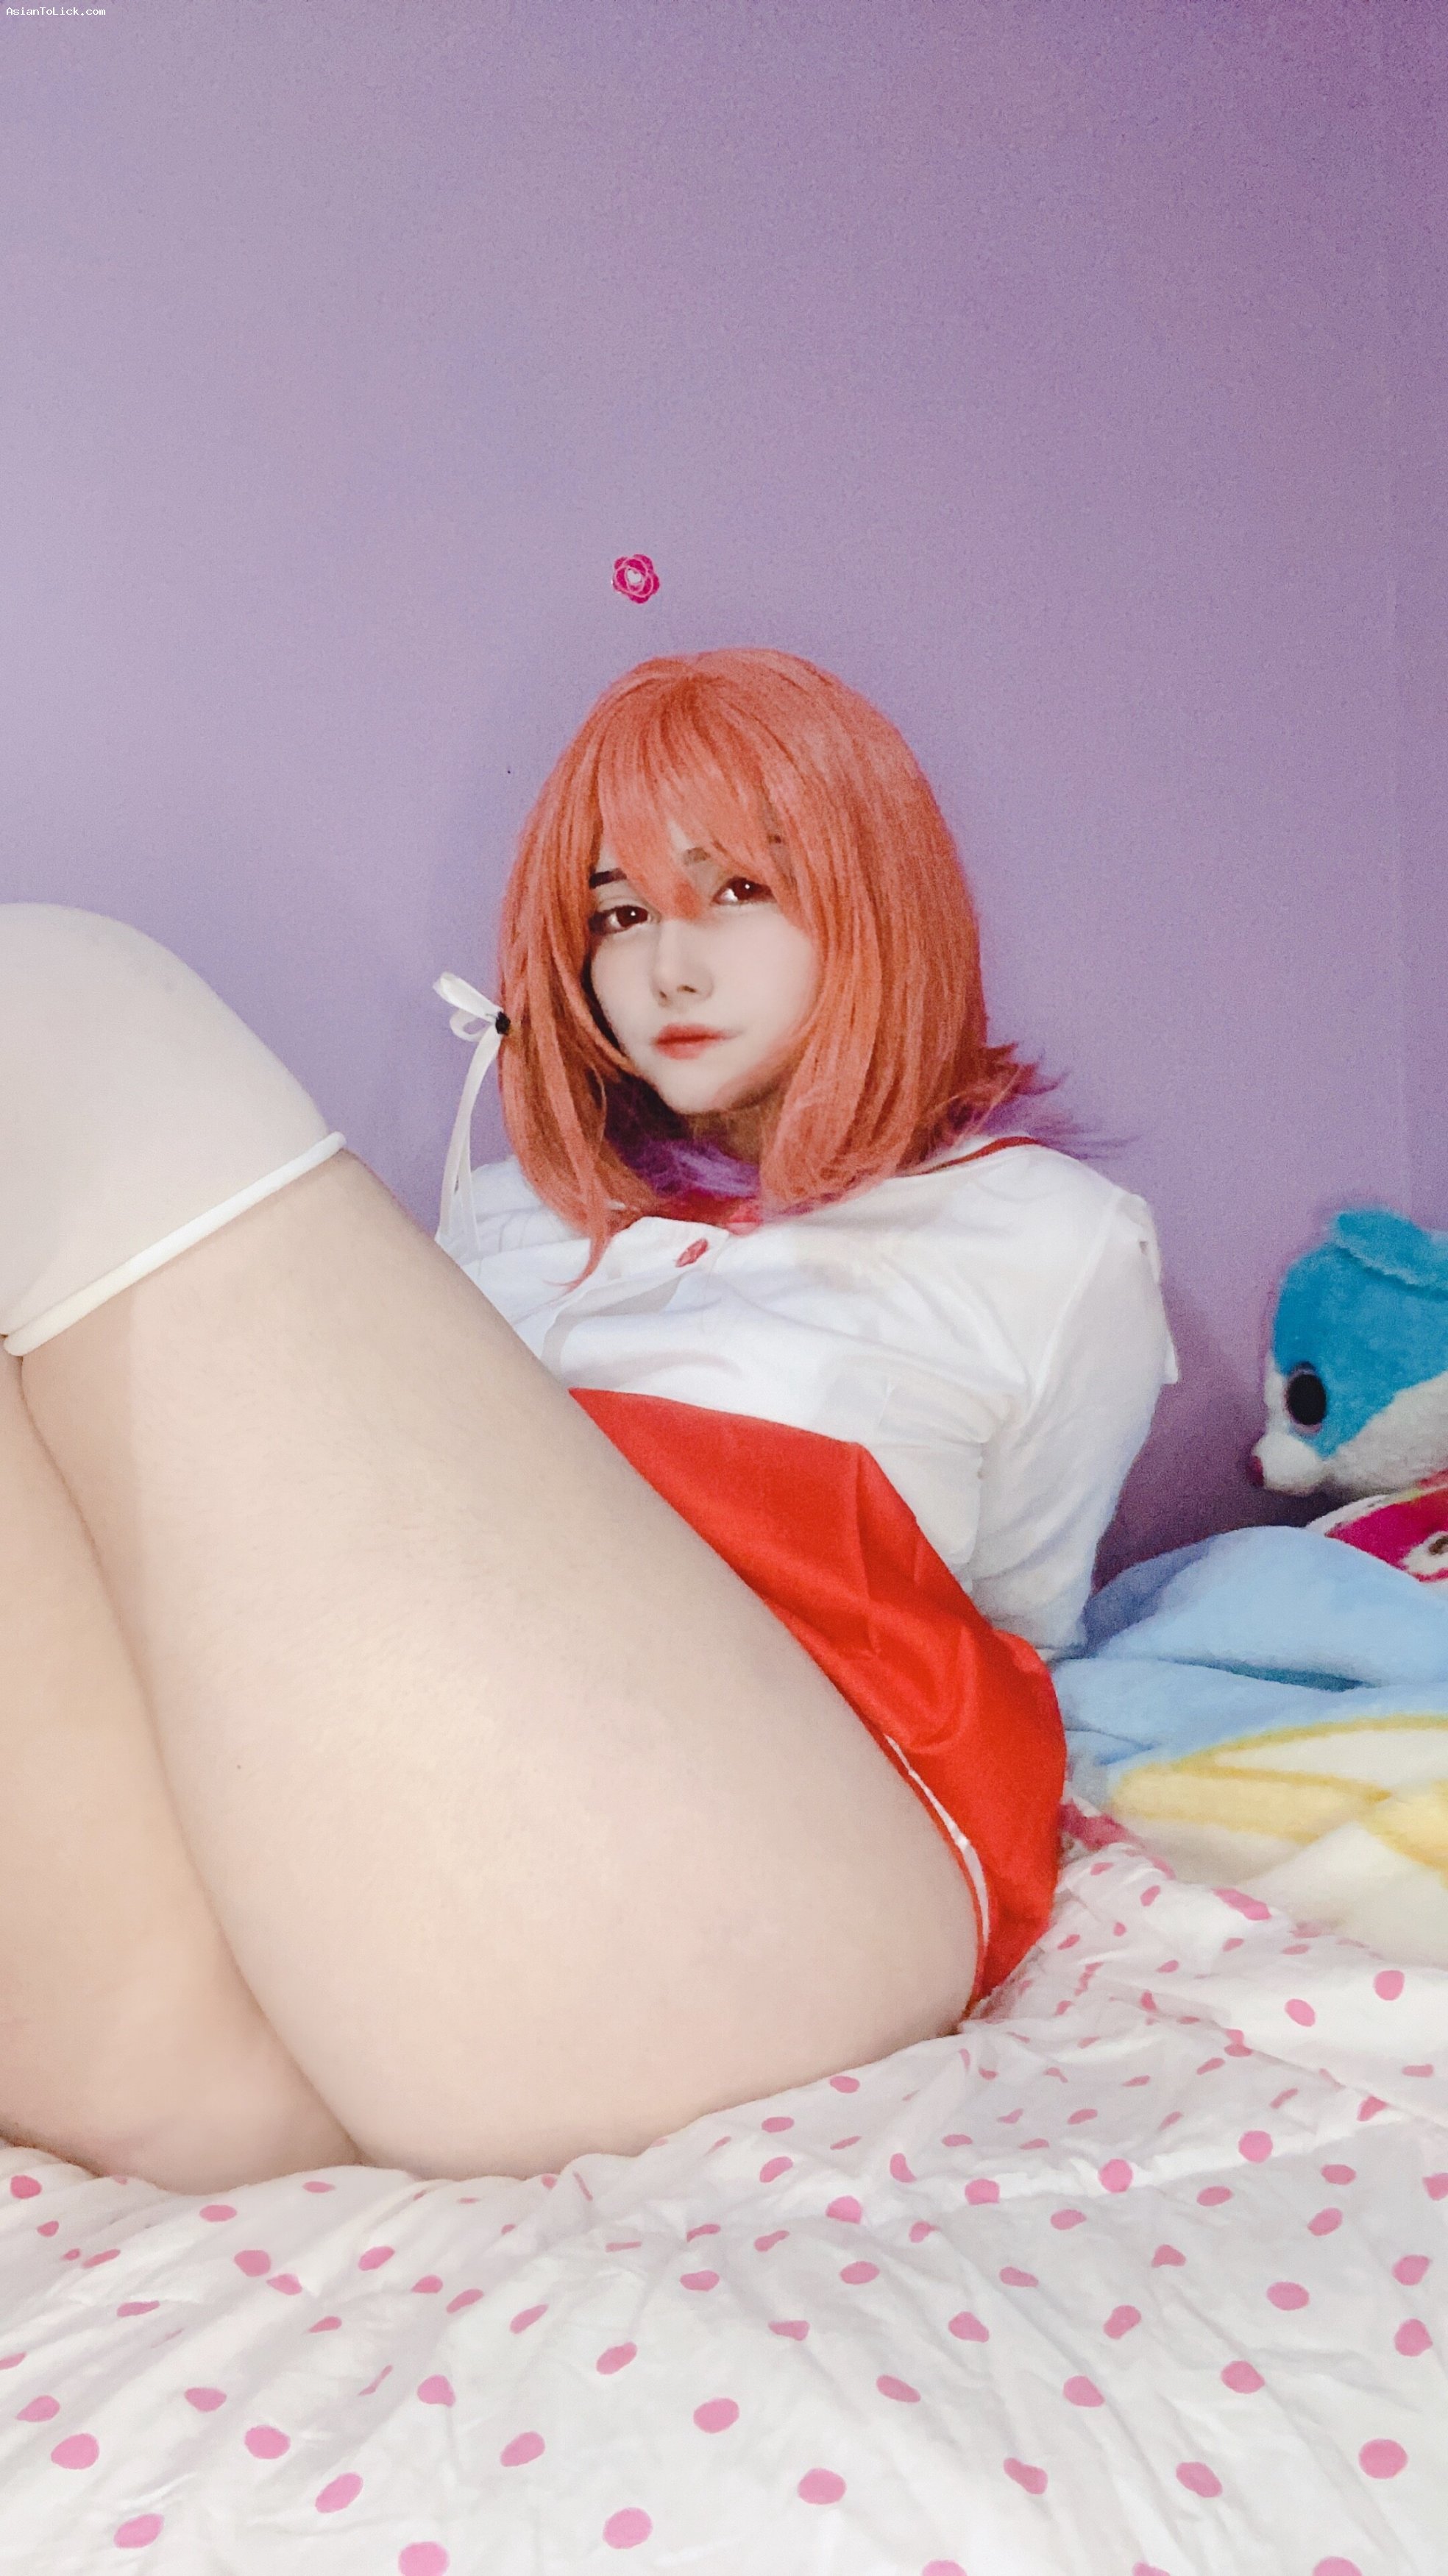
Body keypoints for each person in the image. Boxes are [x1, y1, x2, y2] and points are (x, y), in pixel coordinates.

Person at [0, 649, 1173, 2196]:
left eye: (738, 890)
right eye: (617, 916)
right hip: (397, 1963)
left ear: (878, 895)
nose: (667, 968)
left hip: (804, 1875)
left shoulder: (1048, 1236)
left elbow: (1022, 1603)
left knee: (56, 1008)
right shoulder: (504, 1223)